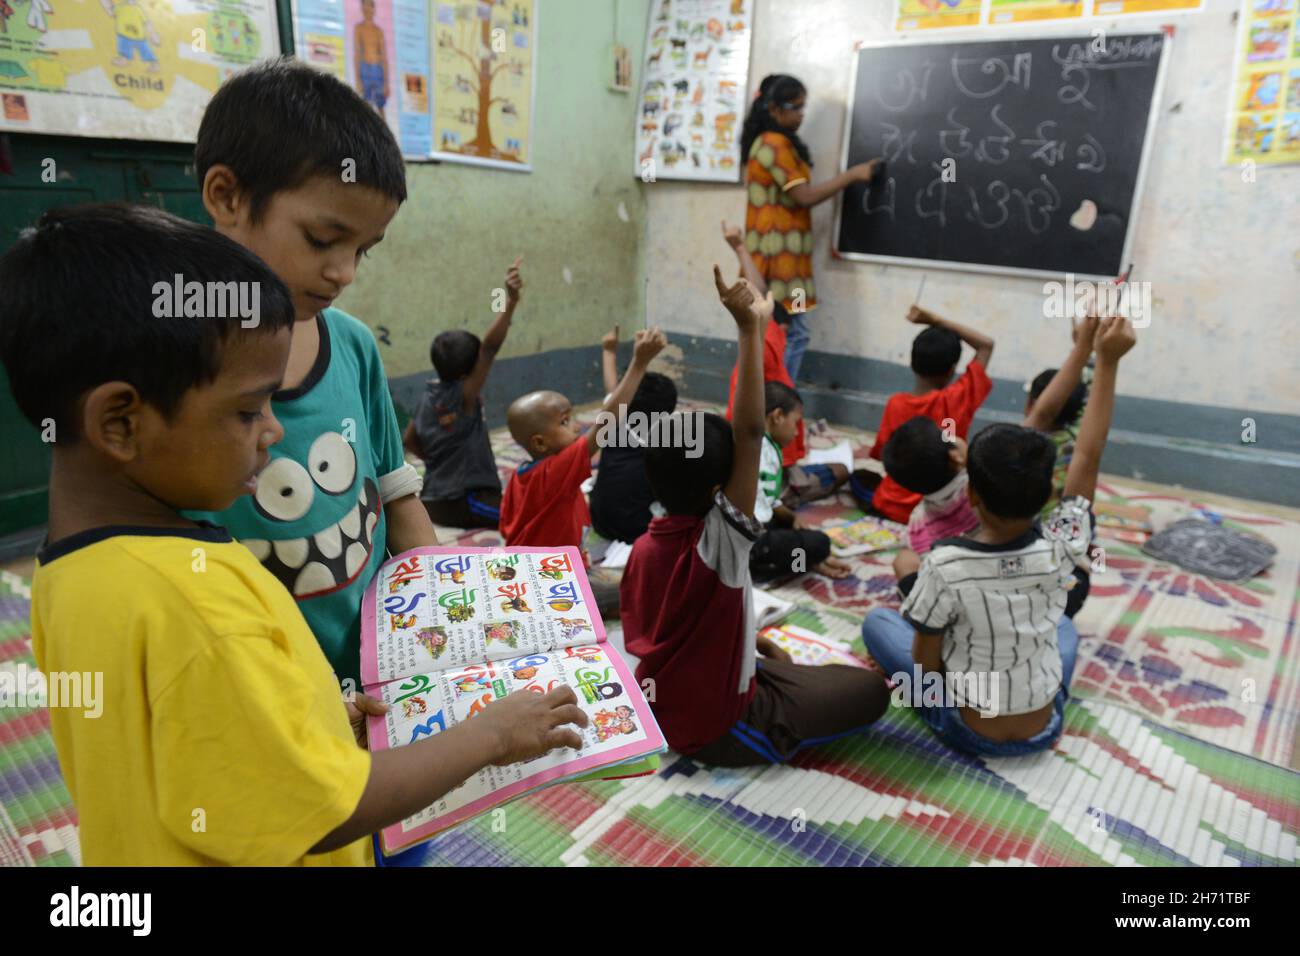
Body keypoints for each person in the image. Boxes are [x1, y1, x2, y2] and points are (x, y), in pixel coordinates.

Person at [0, 203, 588, 865]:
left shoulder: (72, 569)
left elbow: (189, 746)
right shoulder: (199, 607)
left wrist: (312, 721)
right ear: (120, 423)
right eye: (249, 410)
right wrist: (495, 735)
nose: (274, 432)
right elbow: (322, 814)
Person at [188, 57, 439, 689]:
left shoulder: (351, 344)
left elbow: (396, 493)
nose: (345, 272)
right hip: (267, 693)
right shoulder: (176, 366)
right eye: (323, 240)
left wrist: (441, 603)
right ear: (227, 196)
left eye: (362, 250)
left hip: (382, 664)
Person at [621, 267, 890, 767]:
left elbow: (674, 629)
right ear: (722, 492)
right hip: (719, 727)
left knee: (808, 668)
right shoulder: (721, 542)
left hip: (669, 698)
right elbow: (748, 434)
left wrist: (753, 641)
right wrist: (749, 330)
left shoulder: (643, 547)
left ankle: (761, 669)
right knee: (872, 690)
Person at [860, 316, 1138, 757]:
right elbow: (1088, 452)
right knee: (1063, 628)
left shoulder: (943, 562)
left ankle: (943, 713)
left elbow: (926, 662)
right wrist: (1105, 361)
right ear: (1049, 493)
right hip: (1044, 726)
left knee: (877, 624)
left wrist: (933, 702)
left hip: (968, 729)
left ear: (971, 491)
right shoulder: (1064, 542)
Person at [500, 329, 668, 616]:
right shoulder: (554, 471)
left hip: (541, 570)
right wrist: (639, 363)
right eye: (566, 422)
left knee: (626, 580)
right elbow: (609, 419)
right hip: (551, 582)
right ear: (539, 442)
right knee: (647, 589)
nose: (577, 426)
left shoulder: (520, 475)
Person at [739, 73, 882, 381]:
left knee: (787, 334)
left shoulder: (776, 142)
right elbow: (803, 196)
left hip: (790, 264)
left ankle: (774, 407)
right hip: (777, 265)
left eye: (804, 107)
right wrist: (852, 175)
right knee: (790, 335)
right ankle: (776, 407)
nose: (802, 114)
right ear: (774, 109)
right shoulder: (773, 144)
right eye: (796, 107)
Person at [404, 257, 523, 530]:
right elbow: (490, 348)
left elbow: (410, 439)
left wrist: (438, 460)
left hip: (433, 498)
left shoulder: (429, 393)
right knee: (523, 520)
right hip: (462, 500)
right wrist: (511, 300)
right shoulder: (463, 397)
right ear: (463, 375)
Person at [852, 305, 994, 524]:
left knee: (858, 478)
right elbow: (986, 345)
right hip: (939, 508)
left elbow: (882, 454)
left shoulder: (895, 404)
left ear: (911, 362)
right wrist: (935, 319)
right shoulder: (957, 399)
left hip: (891, 504)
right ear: (951, 369)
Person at [750, 382, 852, 583]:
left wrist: (790, 517)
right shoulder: (759, 453)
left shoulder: (761, 443)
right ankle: (804, 562)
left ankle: (804, 560)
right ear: (777, 416)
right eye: (795, 423)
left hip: (748, 529)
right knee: (819, 543)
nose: (797, 433)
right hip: (749, 546)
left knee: (793, 527)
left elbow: (765, 501)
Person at [589, 324, 678, 545]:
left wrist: (608, 352)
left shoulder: (614, 422)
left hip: (598, 519)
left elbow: (614, 395)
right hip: (636, 529)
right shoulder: (666, 445)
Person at [880, 417, 980, 590]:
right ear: (955, 457)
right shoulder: (981, 486)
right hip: (995, 569)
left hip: (951, 588)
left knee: (903, 560)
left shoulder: (917, 524)